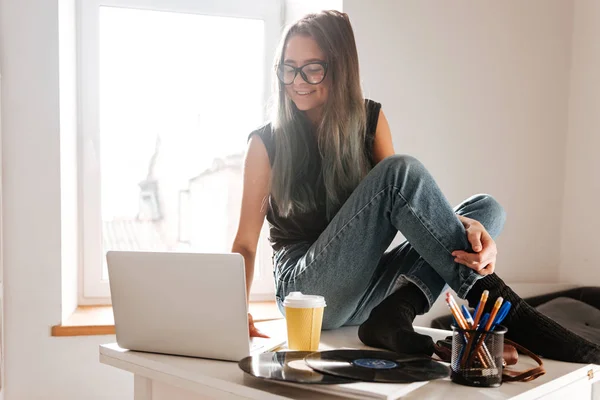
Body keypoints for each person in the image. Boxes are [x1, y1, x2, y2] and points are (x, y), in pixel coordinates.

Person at [231, 10, 600, 364]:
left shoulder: (369, 121)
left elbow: (409, 210)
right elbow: (246, 244)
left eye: (311, 69)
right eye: (288, 69)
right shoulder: (266, 143)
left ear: (339, 69)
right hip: (305, 295)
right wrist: (234, 310)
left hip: (367, 291)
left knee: (487, 209)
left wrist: (467, 228)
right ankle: (513, 312)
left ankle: (396, 312)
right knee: (400, 172)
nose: (296, 81)